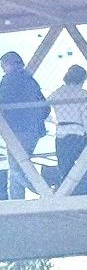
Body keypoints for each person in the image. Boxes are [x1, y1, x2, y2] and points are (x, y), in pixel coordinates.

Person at [0, 51, 48, 200]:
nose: (3, 68)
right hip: (31, 130)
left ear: (12, 64)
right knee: (21, 165)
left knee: (16, 167)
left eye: (4, 65)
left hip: (14, 130)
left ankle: (45, 191)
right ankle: (17, 198)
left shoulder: (9, 82)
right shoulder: (31, 81)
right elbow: (45, 107)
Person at [49, 65, 87, 193]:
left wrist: (54, 121)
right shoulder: (82, 93)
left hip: (61, 132)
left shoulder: (57, 92)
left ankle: (65, 193)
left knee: (64, 167)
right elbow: (86, 117)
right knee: (84, 163)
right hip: (77, 132)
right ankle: (86, 190)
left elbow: (43, 109)